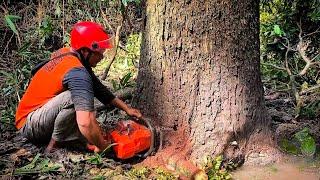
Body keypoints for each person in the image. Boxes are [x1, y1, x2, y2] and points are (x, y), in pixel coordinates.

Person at [15, 21, 142, 153]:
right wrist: (104, 147)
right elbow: (85, 122)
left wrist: (127, 109)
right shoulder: (78, 73)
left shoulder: (69, 55)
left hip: (36, 116)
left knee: (84, 101)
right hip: (31, 125)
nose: (102, 56)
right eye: (99, 52)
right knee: (76, 100)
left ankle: (66, 139)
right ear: (86, 51)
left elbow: (100, 89)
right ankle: (55, 144)